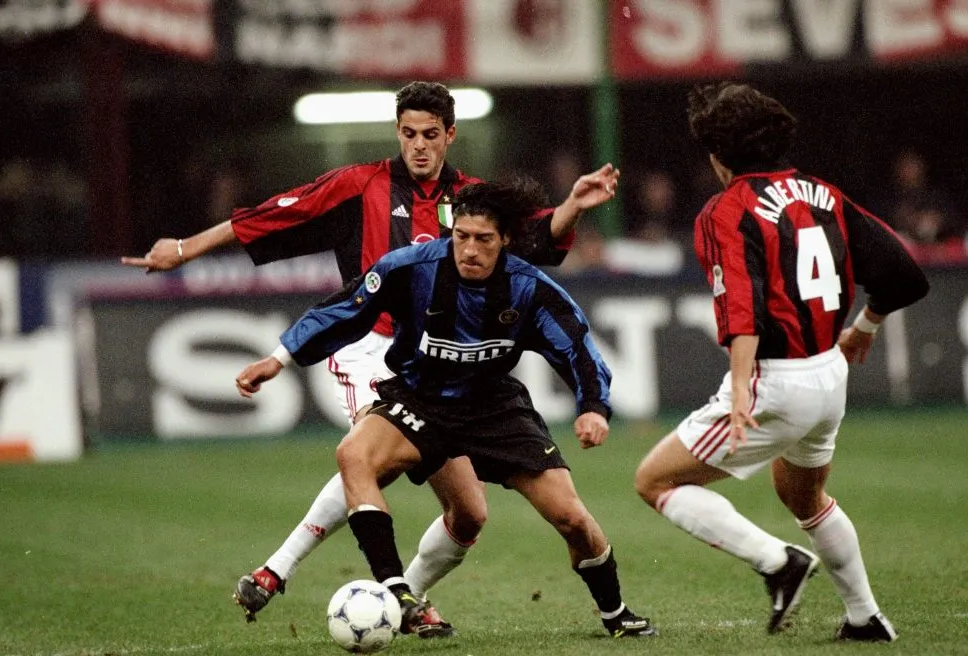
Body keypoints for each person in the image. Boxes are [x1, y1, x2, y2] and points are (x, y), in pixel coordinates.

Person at [120, 81, 621, 634]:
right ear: (397, 134)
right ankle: (282, 572)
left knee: (470, 513)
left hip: (438, 364)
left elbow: (537, 240)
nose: (420, 146)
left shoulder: (475, 201)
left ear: (450, 135)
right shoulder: (359, 185)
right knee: (365, 452)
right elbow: (268, 217)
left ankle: (407, 598)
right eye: (409, 134)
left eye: (431, 135)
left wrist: (572, 206)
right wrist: (186, 248)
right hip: (367, 344)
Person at [235, 179, 657, 639]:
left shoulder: (529, 289)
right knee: (354, 454)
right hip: (421, 398)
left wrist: (593, 407)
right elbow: (345, 309)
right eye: (461, 236)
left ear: (507, 241)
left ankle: (615, 613)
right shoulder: (412, 268)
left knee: (571, 517)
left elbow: (576, 347)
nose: (469, 250)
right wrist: (278, 359)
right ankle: (396, 591)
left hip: (493, 408)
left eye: (484, 240)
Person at [633, 82, 929, 642]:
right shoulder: (822, 193)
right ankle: (865, 617)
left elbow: (740, 308)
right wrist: (865, 326)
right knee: (804, 496)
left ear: (718, 156)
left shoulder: (725, 209)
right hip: (828, 373)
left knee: (654, 480)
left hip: (776, 380)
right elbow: (904, 275)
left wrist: (742, 387)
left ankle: (778, 563)